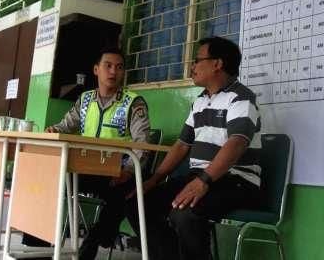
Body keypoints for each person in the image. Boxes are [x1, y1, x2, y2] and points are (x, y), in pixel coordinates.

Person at [126, 37, 261, 260]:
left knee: (185, 213)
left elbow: (236, 143)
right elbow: (181, 145)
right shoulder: (200, 101)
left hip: (236, 181)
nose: (192, 67)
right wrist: (154, 179)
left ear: (217, 64)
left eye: (197, 60)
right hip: (200, 178)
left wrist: (204, 181)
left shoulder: (241, 98)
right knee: (138, 202)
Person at [22, 46, 150, 260]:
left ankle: (92, 244)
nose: (113, 72)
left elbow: (142, 142)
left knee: (122, 196)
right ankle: (37, 248)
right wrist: (54, 130)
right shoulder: (85, 100)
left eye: (119, 68)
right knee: (46, 181)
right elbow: (66, 125)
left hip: (118, 172)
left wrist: (128, 170)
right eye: (107, 66)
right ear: (96, 69)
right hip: (87, 169)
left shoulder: (133, 102)